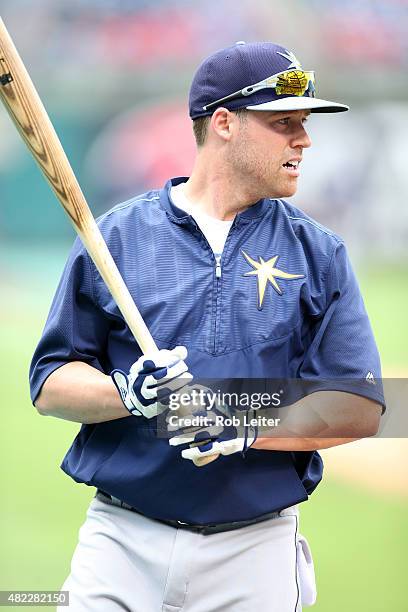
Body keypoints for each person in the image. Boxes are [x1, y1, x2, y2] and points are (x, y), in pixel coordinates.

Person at [30, 41, 385, 611]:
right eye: (283, 122)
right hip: (122, 541)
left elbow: (360, 405)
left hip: (257, 550)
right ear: (224, 123)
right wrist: (132, 394)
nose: (305, 139)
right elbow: (50, 388)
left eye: (304, 123)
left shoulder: (319, 253)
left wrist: (239, 419)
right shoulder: (115, 237)